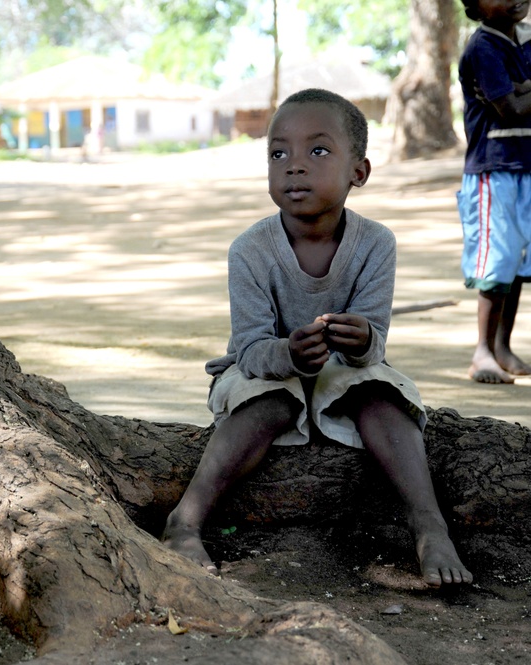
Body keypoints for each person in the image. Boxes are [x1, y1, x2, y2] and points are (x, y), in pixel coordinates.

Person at [161, 88, 472, 588]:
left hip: (343, 373)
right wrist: (287, 353)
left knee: (382, 393)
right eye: (278, 153)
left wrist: (361, 336)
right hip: (264, 371)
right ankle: (185, 522)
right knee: (268, 403)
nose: (294, 166)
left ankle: (428, 525)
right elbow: (250, 348)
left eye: (318, 151)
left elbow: (375, 347)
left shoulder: (375, 244)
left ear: (359, 172)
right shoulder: (250, 250)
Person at [456, 0, 531, 384]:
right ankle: (482, 352)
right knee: (496, 262)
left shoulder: (525, 39)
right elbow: (513, 109)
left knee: (518, 263)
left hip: (526, 167)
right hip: (494, 170)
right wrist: (522, 90)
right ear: (476, 7)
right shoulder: (483, 48)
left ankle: (502, 346)